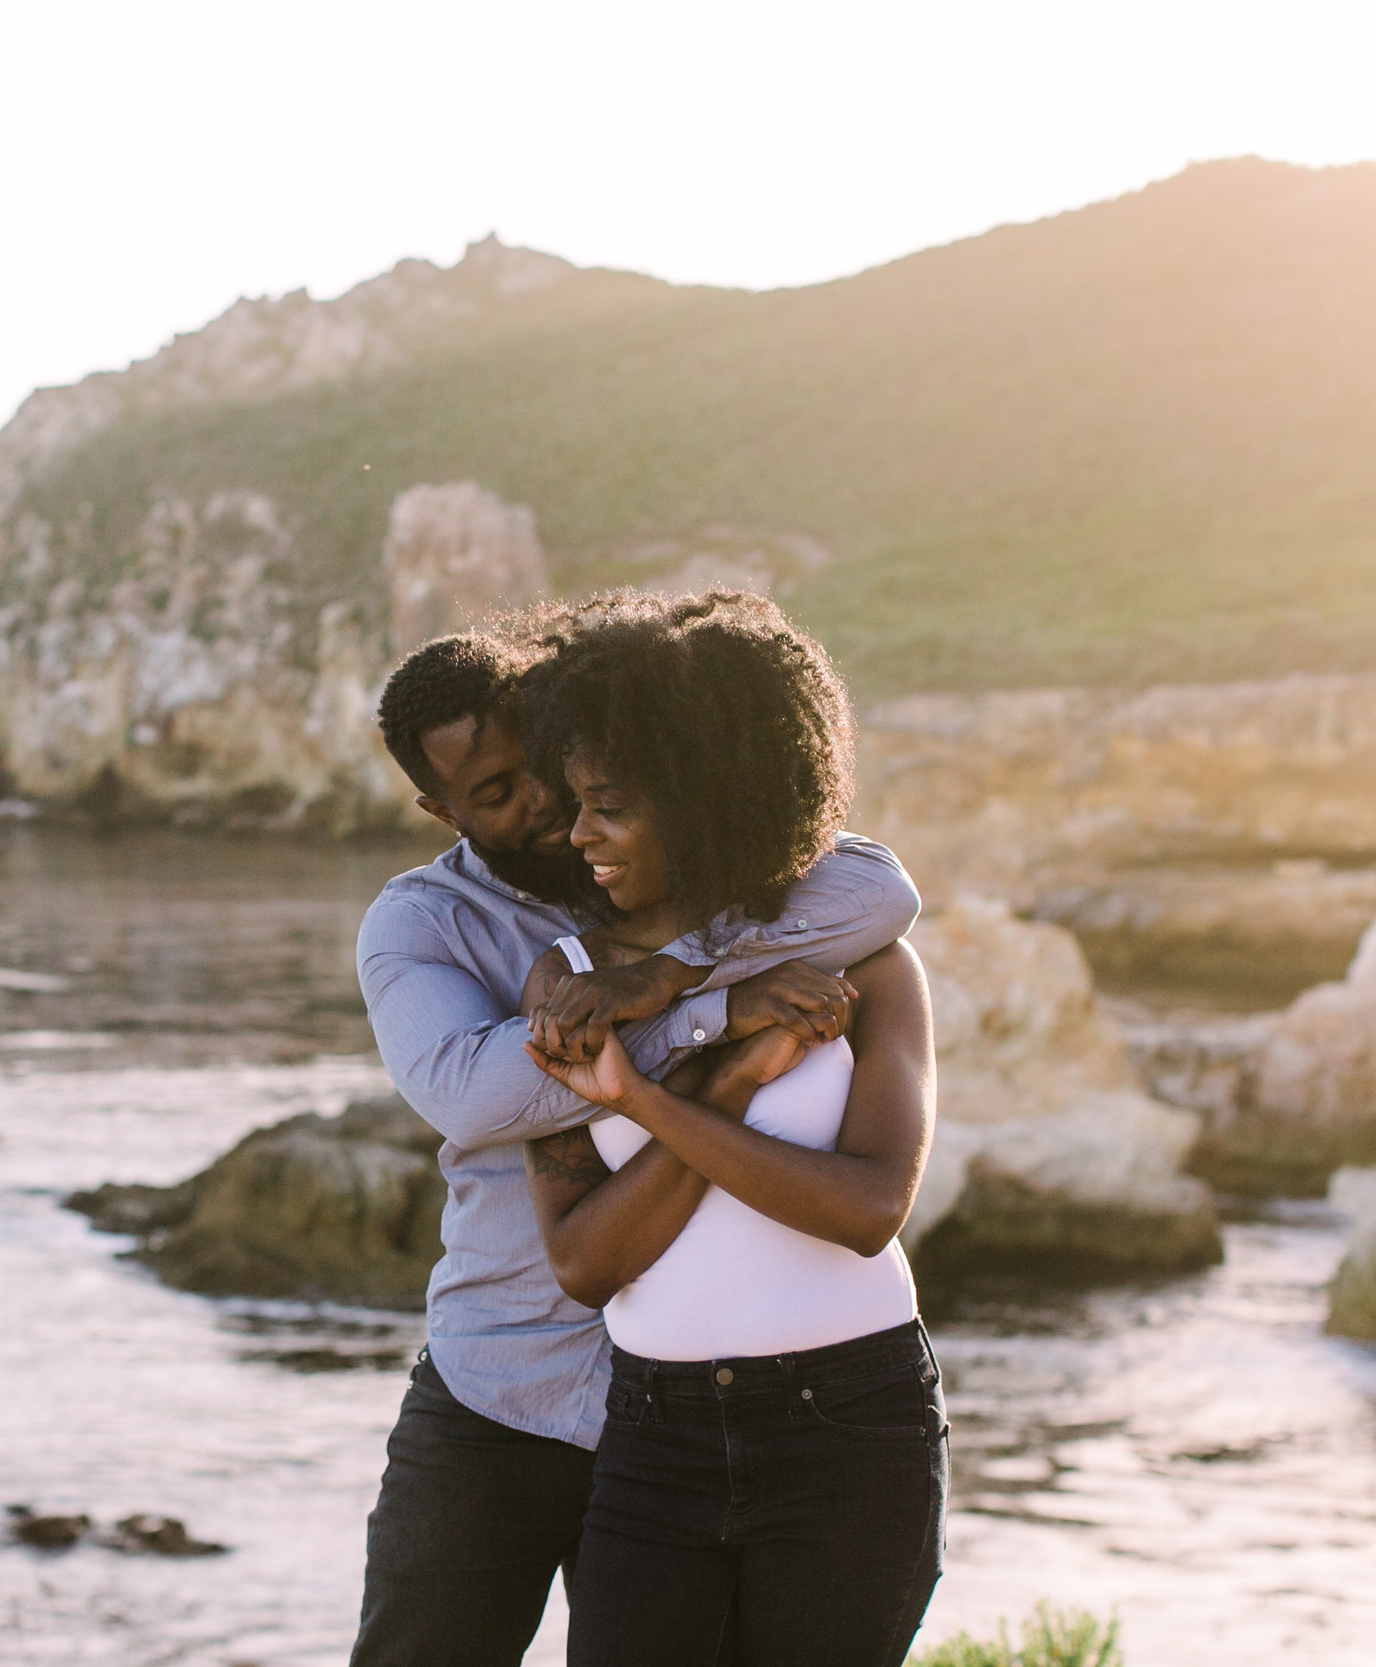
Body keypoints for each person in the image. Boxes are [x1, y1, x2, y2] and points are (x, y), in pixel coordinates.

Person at [350, 609, 926, 1667]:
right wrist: (717, 1015)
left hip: (689, 1408)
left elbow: (879, 887)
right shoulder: (421, 922)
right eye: (488, 792)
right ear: (437, 805)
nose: (541, 809)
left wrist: (667, 970)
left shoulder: (710, 876)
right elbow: (479, 1096)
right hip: (506, 1386)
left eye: (548, 770)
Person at [515, 591, 945, 1667]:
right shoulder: (566, 985)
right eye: (573, 802)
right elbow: (581, 1259)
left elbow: (866, 1209)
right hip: (652, 1437)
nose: (578, 836)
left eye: (607, 804)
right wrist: (726, 1075)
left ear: (703, 796)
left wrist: (650, 1096)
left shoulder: (871, 965)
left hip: (851, 1422)